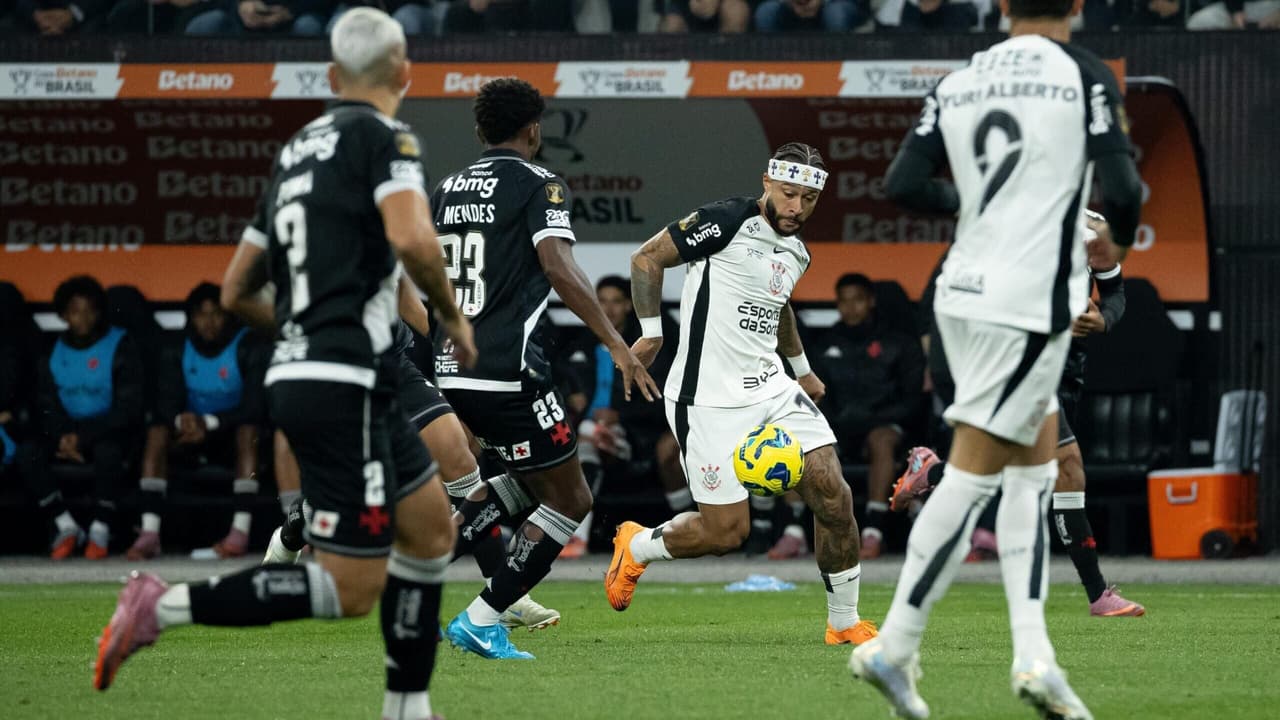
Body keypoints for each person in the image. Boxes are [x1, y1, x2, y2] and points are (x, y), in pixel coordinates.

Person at [95, 12, 477, 720]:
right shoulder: (386, 137)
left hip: (330, 373)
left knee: (429, 529)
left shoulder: (297, 149)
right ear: (404, 74)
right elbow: (413, 237)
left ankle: (407, 706)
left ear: (333, 79)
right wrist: (452, 317)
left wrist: (304, 327)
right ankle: (162, 604)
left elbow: (236, 288)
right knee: (348, 589)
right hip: (345, 380)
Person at [849, 0, 1143, 714]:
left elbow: (902, 185)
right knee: (979, 474)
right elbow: (1125, 191)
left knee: (1034, 470)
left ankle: (1036, 656)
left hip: (960, 295)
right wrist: (1116, 240)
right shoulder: (1084, 73)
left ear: (1003, 6)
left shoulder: (961, 78)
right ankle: (894, 645)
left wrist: (983, 200)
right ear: (1075, 5)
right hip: (1027, 301)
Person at [604, 142, 878, 647]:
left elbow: (779, 306)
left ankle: (844, 622)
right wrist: (652, 332)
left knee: (833, 493)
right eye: (789, 194)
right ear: (768, 183)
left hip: (771, 386)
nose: (797, 208)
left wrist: (801, 370)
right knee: (726, 534)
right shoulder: (727, 220)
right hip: (705, 396)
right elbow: (646, 259)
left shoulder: (798, 250)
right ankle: (638, 545)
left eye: (810, 199)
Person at [431, 77, 658, 660]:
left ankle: (415, 574)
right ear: (534, 128)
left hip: (451, 368)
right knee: (572, 498)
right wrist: (616, 342)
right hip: (509, 371)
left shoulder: (445, 189)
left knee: (530, 482)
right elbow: (558, 267)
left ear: (482, 130)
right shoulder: (539, 183)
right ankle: (482, 617)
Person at [263, 277, 562, 632]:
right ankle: (295, 527)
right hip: (337, 374)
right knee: (348, 494)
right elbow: (260, 297)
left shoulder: (386, 226)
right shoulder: (309, 234)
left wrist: (444, 343)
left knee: (461, 461)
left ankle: (506, 597)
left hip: (394, 365)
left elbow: (400, 286)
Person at [892, 211, 1145, 617]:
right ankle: (1096, 595)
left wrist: (1102, 319)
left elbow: (1115, 291)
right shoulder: (1002, 219)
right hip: (1015, 361)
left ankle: (930, 472)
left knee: (1008, 472)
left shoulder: (1091, 227)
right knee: (1068, 464)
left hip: (1067, 368)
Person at [126, 283, 267, 561]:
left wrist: (210, 423)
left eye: (216, 314)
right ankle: (150, 534)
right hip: (188, 437)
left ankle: (239, 533)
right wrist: (182, 421)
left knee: (248, 431)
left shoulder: (248, 344)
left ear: (228, 316)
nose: (209, 322)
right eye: (201, 314)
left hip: (228, 436)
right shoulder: (176, 346)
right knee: (156, 432)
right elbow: (163, 402)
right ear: (190, 317)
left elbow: (255, 407)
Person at [557, 275, 689, 559]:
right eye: (602, 301)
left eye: (616, 301)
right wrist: (571, 397)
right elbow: (559, 378)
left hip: (636, 434)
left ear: (629, 305)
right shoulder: (582, 342)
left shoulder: (646, 346)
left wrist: (621, 416)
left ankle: (688, 527)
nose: (609, 309)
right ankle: (575, 539)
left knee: (589, 436)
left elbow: (660, 393)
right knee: (586, 437)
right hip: (588, 433)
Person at [20, 275, 145, 560]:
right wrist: (63, 436)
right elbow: (45, 403)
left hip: (107, 430)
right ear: (64, 315)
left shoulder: (120, 344)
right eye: (75, 311)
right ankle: (65, 525)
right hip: (67, 433)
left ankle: (100, 529)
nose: (83, 318)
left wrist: (85, 436)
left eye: (89, 309)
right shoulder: (52, 351)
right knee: (28, 452)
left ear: (99, 311)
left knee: (109, 451)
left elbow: (128, 408)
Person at [806, 272, 924, 560]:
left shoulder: (898, 342)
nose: (851, 308)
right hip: (840, 426)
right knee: (803, 439)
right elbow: (817, 395)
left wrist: (873, 419)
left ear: (870, 301)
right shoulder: (825, 343)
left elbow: (912, 399)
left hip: (885, 425)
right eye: (844, 301)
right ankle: (795, 530)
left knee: (880, 439)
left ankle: (873, 529)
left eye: (858, 300)